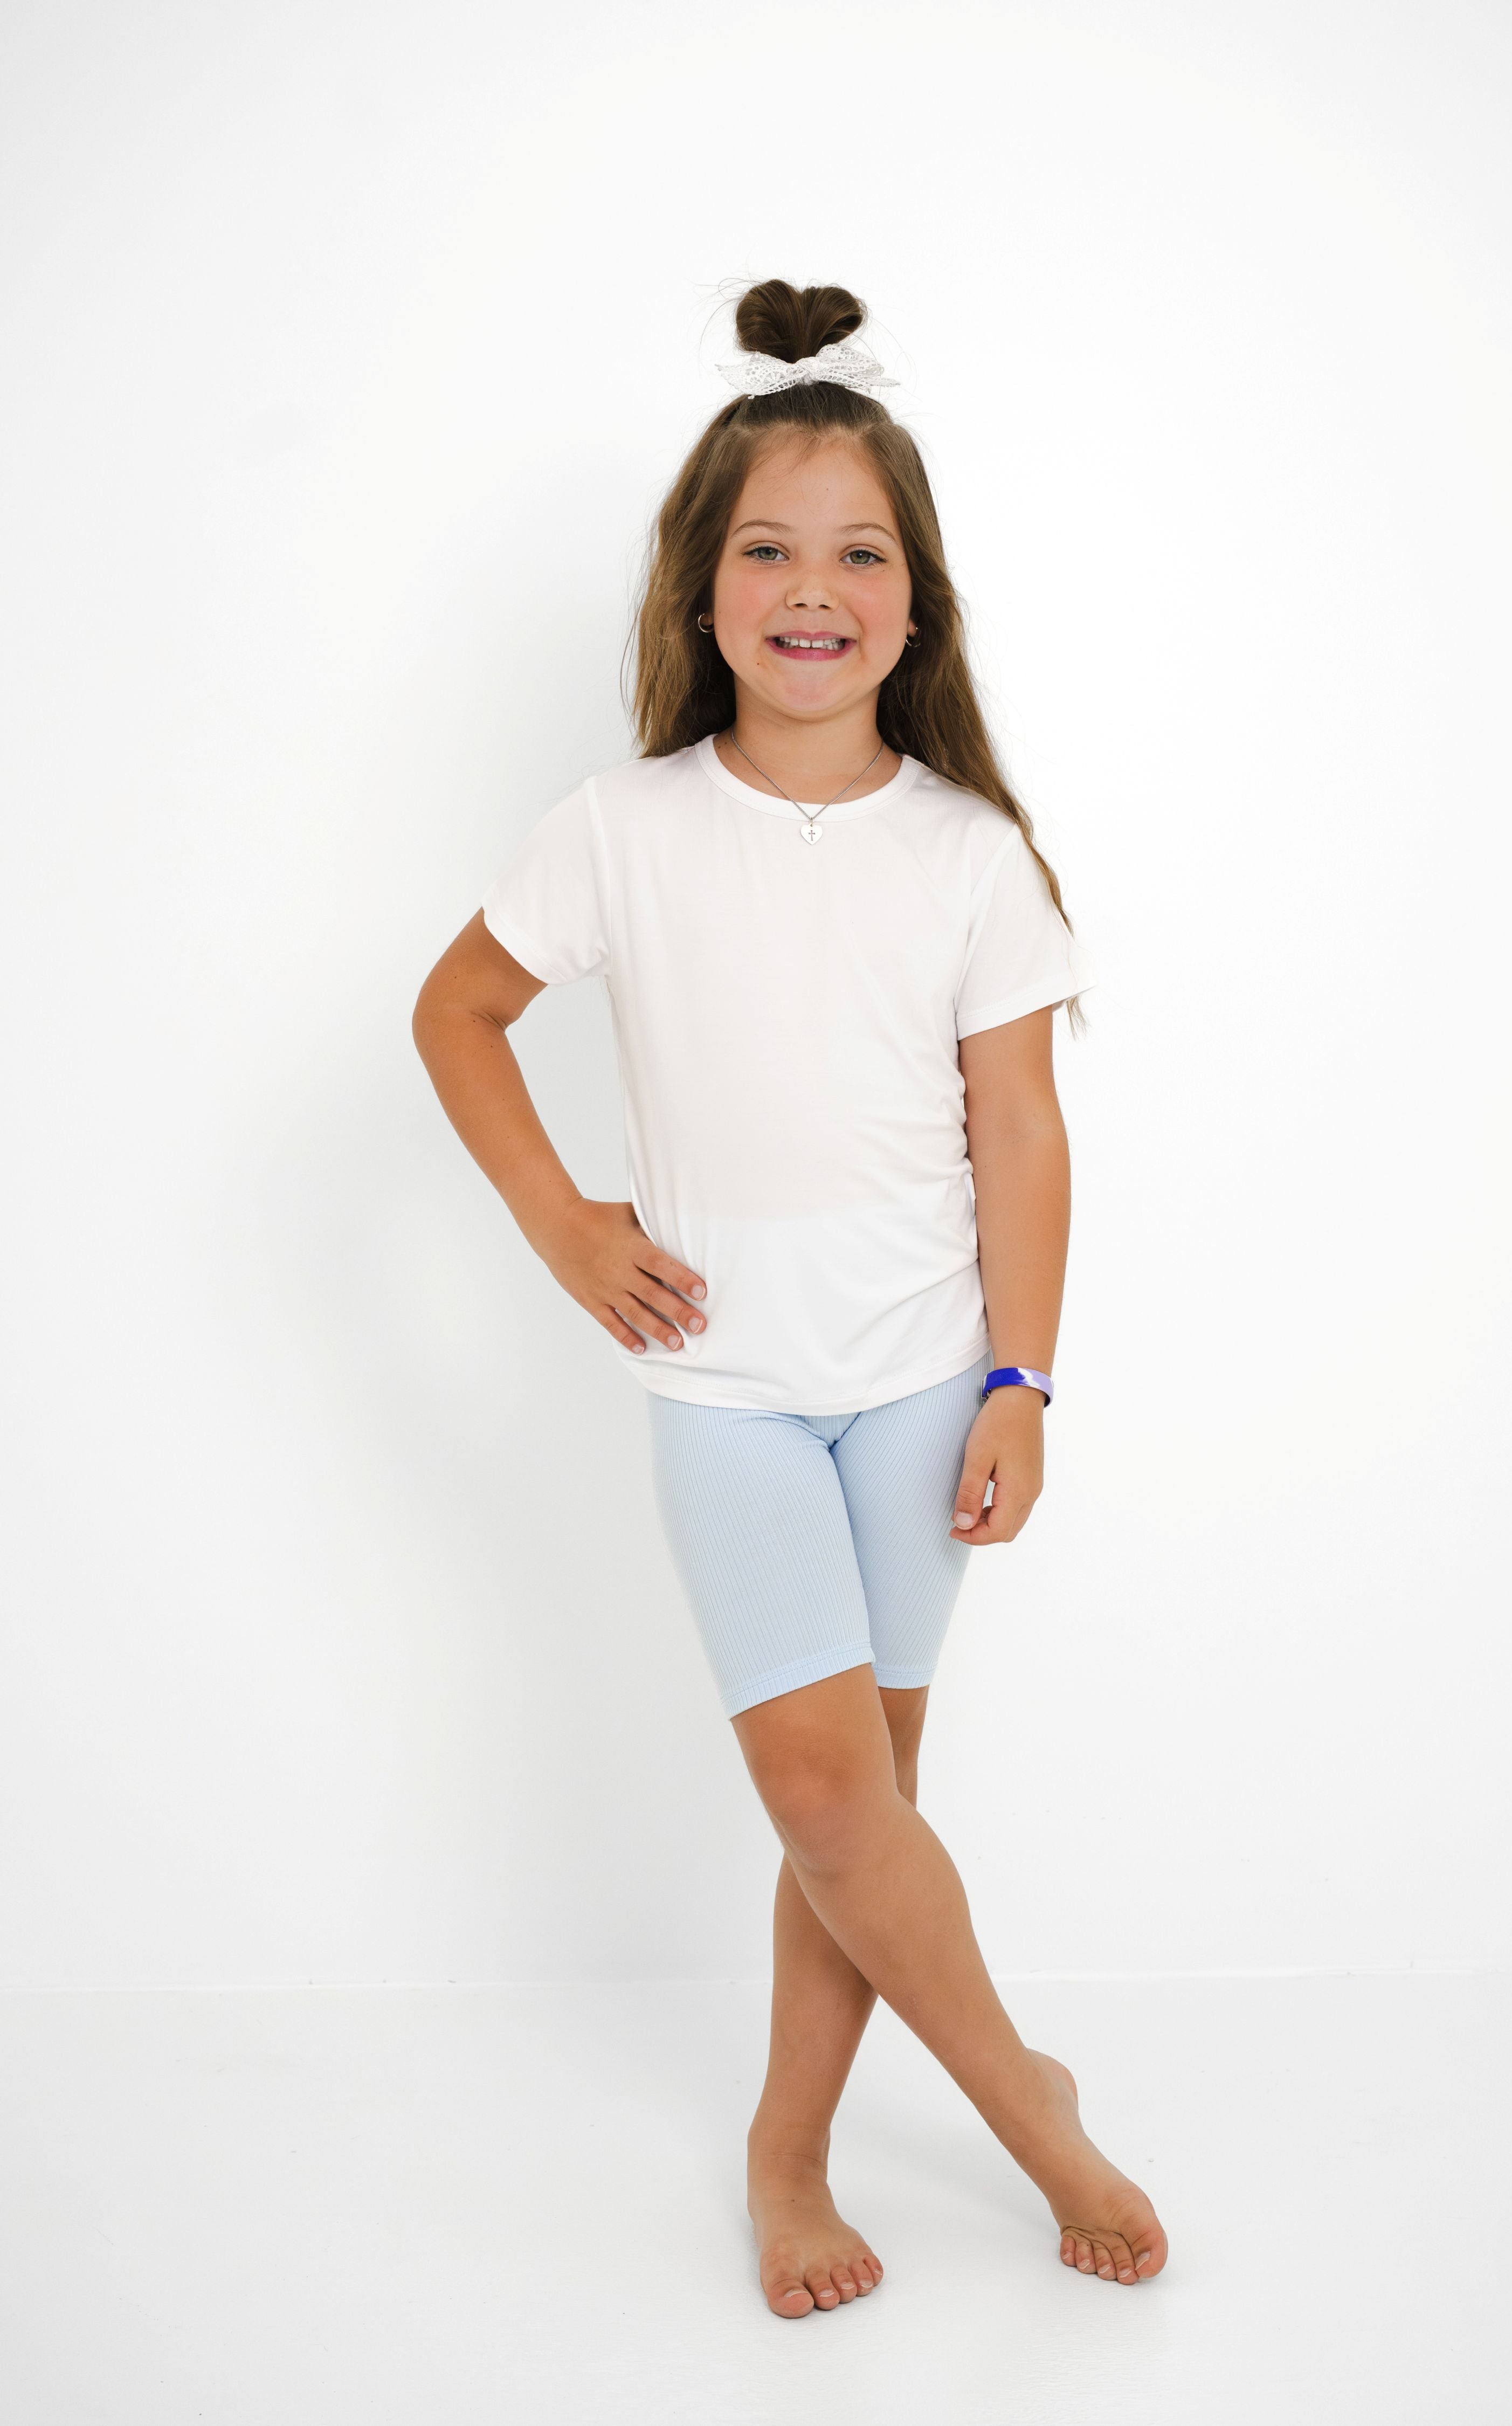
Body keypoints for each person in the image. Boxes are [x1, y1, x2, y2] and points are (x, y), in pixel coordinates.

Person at [412, 279, 1167, 2318]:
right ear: (704, 582)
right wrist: (568, 1223)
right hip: (729, 1387)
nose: (811, 588)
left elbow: (1020, 1134)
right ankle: (1028, 2105)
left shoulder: (968, 853)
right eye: (769, 548)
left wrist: (1021, 1376)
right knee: (828, 1790)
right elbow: (459, 1012)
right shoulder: (624, 828)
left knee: (865, 1818)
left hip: (924, 1381)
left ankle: (793, 2147)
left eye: (859, 554)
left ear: (914, 608)